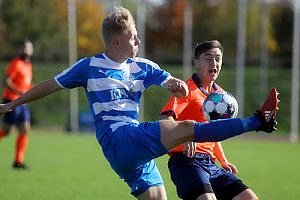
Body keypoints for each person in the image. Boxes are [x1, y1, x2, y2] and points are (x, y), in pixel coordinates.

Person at [0, 7, 278, 200]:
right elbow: (50, 85)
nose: (139, 40)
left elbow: (171, 83)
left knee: (158, 196)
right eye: (134, 36)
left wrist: (177, 86)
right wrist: (12, 104)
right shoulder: (89, 66)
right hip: (120, 138)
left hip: (133, 156)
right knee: (187, 127)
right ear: (118, 41)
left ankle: (256, 121)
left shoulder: (142, 66)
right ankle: (257, 121)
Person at [161, 40, 259, 200]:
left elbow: (214, 132)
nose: (214, 62)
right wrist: (183, 138)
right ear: (196, 63)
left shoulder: (220, 96)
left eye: (218, 58)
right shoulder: (187, 89)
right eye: (208, 58)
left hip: (210, 164)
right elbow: (166, 118)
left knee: (249, 197)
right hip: (186, 162)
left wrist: (223, 160)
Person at [0, 39, 34, 169]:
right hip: (11, 100)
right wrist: (19, 91)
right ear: (20, 49)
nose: (26, 50)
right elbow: (7, 81)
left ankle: (18, 161)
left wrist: (33, 89)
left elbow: (26, 83)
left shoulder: (28, 65)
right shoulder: (16, 63)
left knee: (25, 129)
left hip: (23, 102)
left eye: (29, 48)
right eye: (24, 47)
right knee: (7, 130)